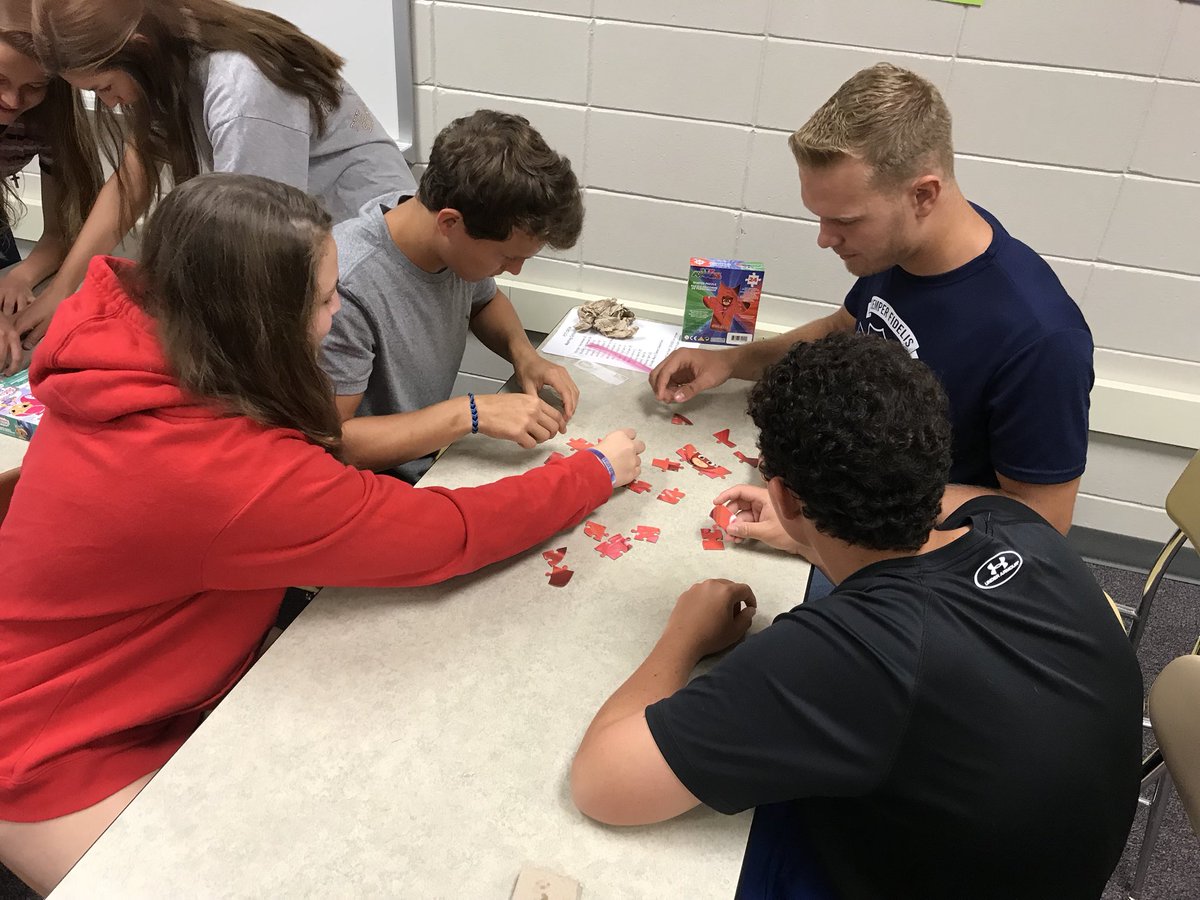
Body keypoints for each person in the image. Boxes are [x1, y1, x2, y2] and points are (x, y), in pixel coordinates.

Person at [0, 173, 642, 896]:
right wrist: (594, 470)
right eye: (327, 299)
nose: (339, 314)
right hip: (46, 752)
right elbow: (445, 533)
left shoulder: (135, 341)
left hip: (147, 683)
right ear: (260, 320)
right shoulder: (224, 472)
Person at [573, 333, 1142, 900]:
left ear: (785, 496)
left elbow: (601, 785)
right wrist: (809, 537)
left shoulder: (848, 653)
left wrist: (685, 634)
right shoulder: (1014, 525)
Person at [650, 63, 1092, 547]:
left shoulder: (1040, 337)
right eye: (819, 217)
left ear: (923, 194)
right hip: (842, 512)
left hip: (922, 560)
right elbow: (844, 328)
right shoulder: (901, 247)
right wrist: (733, 361)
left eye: (846, 221)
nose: (825, 239)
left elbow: (1042, 523)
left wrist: (824, 533)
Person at [14, 0, 416, 346]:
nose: (112, 104)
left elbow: (252, 244)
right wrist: (62, 292)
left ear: (139, 48)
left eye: (104, 87)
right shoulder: (167, 56)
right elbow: (132, 177)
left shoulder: (242, 88)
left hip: (364, 260)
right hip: (307, 252)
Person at [321, 110, 581, 482]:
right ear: (450, 223)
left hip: (430, 464)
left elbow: (485, 302)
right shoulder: (343, 286)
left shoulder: (447, 242)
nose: (515, 270)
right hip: (371, 488)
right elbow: (333, 444)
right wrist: (470, 414)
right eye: (508, 257)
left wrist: (524, 356)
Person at [0, 1, 100, 374]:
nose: (12, 102)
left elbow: (61, 232)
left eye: (35, 86)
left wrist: (22, 275)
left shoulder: (49, 122)